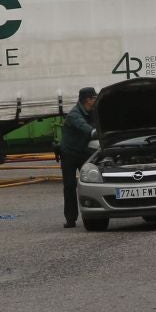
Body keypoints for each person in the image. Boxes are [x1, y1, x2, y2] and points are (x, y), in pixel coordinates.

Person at [58, 86, 99, 229]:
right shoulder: (74, 115)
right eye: (94, 98)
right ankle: (70, 219)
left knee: (93, 181)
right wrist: (99, 133)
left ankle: (96, 212)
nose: (96, 100)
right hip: (69, 154)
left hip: (84, 152)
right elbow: (87, 130)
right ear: (88, 100)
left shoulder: (93, 112)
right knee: (69, 186)